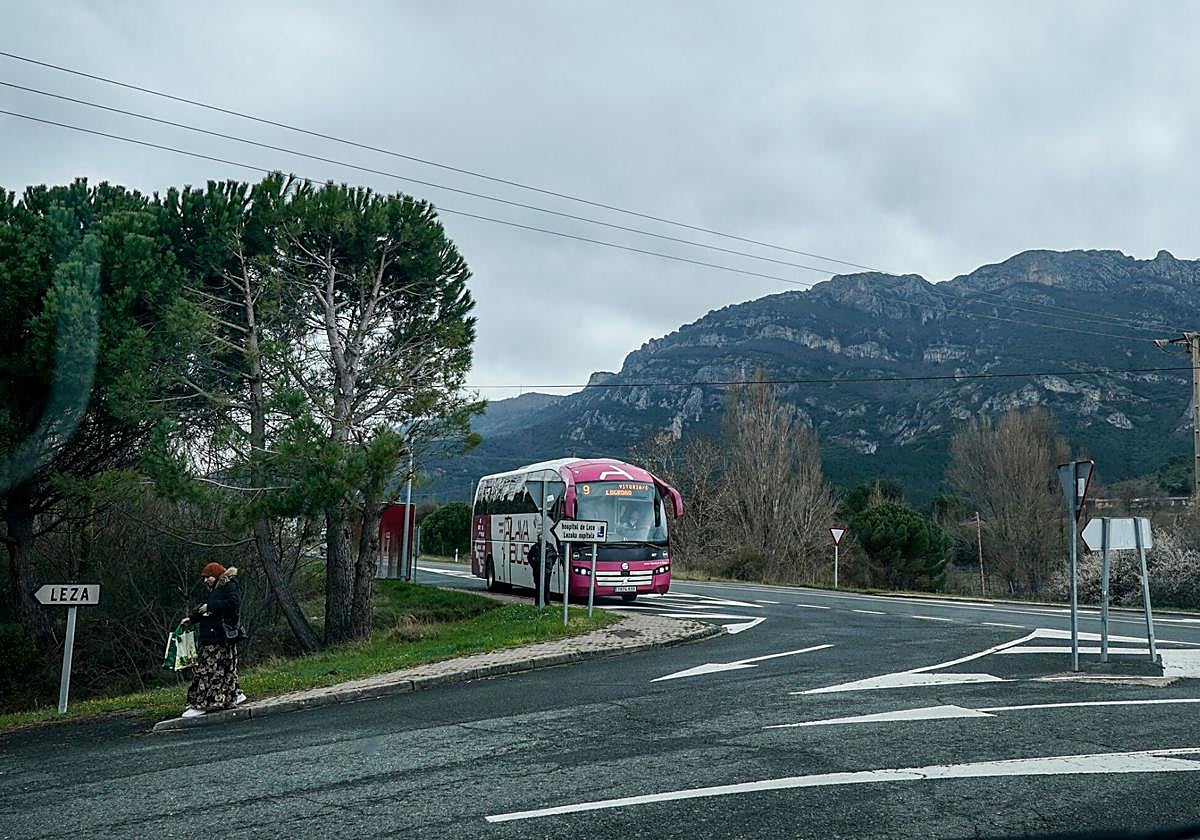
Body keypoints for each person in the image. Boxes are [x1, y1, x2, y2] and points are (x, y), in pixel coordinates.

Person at [180, 562, 244, 718]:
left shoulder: (228, 586)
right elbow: (205, 610)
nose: (205, 580)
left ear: (216, 575)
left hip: (219, 636)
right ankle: (231, 697)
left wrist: (210, 606)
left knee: (207, 671)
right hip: (215, 635)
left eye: (208, 577)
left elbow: (233, 603)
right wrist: (192, 619)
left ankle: (201, 704)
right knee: (224, 669)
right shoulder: (215, 590)